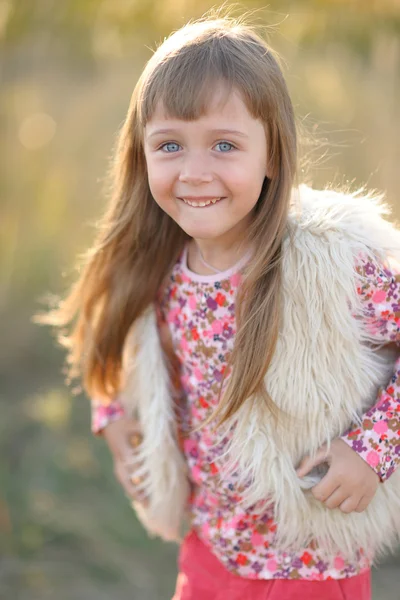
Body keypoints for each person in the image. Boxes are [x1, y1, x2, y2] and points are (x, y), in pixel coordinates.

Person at [38, 11, 400, 600]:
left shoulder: (329, 265)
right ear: (142, 155)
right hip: (208, 555)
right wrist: (113, 420)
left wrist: (371, 450)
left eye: (225, 145)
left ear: (273, 157)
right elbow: (114, 347)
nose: (194, 172)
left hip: (308, 567)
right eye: (170, 145)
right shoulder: (156, 269)